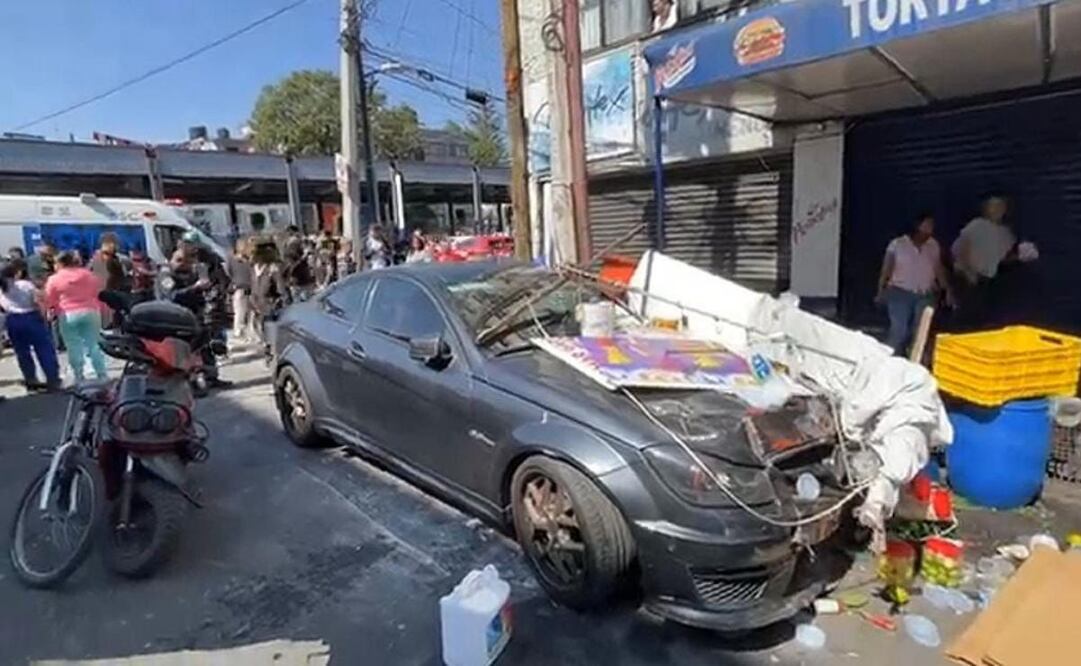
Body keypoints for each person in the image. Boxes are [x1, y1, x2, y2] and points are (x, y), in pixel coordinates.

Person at [951, 194, 1038, 330]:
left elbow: (1004, 259)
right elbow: (961, 248)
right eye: (994, 206)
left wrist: (1023, 255)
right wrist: (968, 272)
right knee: (966, 316)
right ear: (986, 208)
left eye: (1001, 207)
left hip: (988, 280)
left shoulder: (1006, 233)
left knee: (982, 317)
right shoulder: (976, 225)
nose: (998, 210)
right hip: (967, 278)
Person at [876, 213, 953, 355]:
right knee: (899, 330)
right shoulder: (897, 244)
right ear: (917, 226)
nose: (930, 229)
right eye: (927, 225)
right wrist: (881, 290)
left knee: (919, 332)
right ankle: (887, 358)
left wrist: (947, 290)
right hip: (900, 292)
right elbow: (887, 268)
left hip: (925, 294)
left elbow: (938, 268)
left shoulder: (933, 245)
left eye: (931, 225)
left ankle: (913, 361)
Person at [171, 231, 232, 389]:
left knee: (206, 346)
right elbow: (172, 296)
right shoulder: (171, 272)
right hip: (182, 314)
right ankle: (189, 381)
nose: (192, 259)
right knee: (186, 349)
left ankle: (211, 377)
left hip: (201, 310)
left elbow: (220, 279)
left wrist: (214, 290)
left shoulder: (206, 261)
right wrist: (195, 288)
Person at [45, 251, 108, 384]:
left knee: (73, 345)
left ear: (61, 263)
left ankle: (79, 376)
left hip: (67, 313)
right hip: (91, 310)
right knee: (94, 344)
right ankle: (102, 374)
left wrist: (52, 310)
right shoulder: (88, 275)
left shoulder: (54, 279)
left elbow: (50, 298)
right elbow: (98, 291)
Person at [1, 260, 61, 391]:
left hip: (12, 319)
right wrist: (44, 316)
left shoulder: (2, 288)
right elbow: (38, 301)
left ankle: (30, 379)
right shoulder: (25, 285)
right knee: (44, 349)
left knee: (22, 352)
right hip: (30, 317)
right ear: (16, 273)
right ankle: (52, 379)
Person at [250, 238, 289, 361]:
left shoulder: (273, 269)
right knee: (261, 331)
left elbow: (281, 290)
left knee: (271, 333)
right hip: (257, 306)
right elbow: (253, 287)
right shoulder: (254, 268)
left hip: (270, 306)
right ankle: (268, 349)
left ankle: (272, 353)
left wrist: (280, 302)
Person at [227, 238, 254, 343]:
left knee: (250, 311)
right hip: (240, 287)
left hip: (249, 287)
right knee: (240, 311)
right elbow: (229, 272)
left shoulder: (248, 259)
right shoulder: (233, 259)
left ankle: (248, 332)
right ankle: (238, 331)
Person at [281, 226, 315, 301]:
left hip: (300, 271)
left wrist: (300, 260)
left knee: (303, 295)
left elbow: (308, 251)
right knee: (297, 294)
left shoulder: (298, 241)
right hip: (293, 272)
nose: (288, 233)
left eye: (289, 231)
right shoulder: (287, 243)